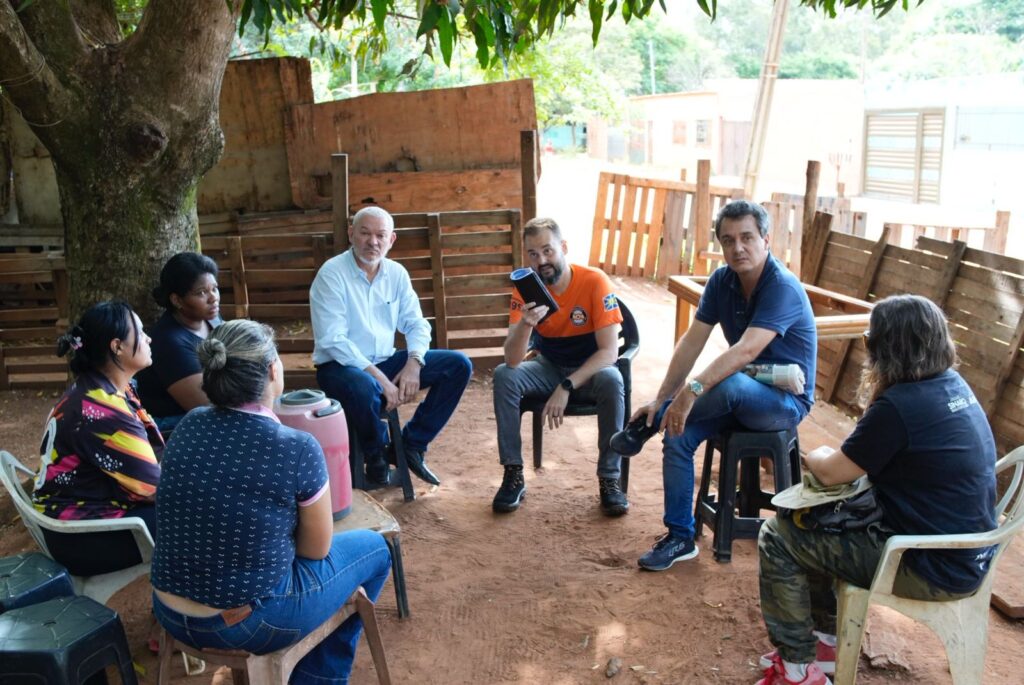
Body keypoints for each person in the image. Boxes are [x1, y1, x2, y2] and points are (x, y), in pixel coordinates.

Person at [754, 294, 997, 685]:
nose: (866, 341)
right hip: (968, 554)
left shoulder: (901, 405)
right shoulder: (953, 384)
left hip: (928, 566)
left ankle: (799, 670)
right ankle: (826, 645)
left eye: (873, 336)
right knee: (815, 525)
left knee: (779, 536)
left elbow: (834, 473)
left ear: (887, 347)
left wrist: (814, 451)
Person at [151, 319, 391, 683]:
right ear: (273, 370)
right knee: (375, 549)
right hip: (244, 624)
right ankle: (320, 677)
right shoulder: (295, 446)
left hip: (168, 611)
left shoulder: (189, 425)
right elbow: (316, 550)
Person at [625, 200, 817, 570]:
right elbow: (692, 341)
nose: (737, 247)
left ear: (765, 239)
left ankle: (652, 421)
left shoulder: (783, 287)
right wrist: (664, 396)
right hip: (738, 400)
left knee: (727, 387)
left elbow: (745, 351)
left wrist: (689, 393)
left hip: (784, 403)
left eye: (747, 237)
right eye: (728, 240)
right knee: (678, 435)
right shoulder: (721, 281)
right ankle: (680, 537)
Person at [311, 206, 472, 488]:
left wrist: (414, 362)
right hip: (340, 368)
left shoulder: (396, 273)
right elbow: (333, 340)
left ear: (391, 239)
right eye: (364, 233)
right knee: (364, 387)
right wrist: (381, 379)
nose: (372, 242)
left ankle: (410, 446)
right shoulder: (332, 274)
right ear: (351, 234)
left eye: (380, 235)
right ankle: (377, 456)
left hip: (385, 361)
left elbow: (417, 324)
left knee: (457, 366)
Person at [491, 217, 629, 516]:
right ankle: (513, 473)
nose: (542, 261)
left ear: (563, 247)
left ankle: (609, 479)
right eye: (533, 254)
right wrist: (527, 325)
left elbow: (609, 352)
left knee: (612, 380)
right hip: (549, 365)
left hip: (590, 370)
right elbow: (512, 360)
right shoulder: (525, 290)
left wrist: (566, 386)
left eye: (548, 250)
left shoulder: (594, 281)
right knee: (504, 377)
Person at [33, 301, 163, 575]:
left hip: (72, 523)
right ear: (117, 347)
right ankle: (192, 608)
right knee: (200, 512)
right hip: (83, 538)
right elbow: (155, 489)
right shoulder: (102, 411)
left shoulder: (96, 390)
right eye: (141, 332)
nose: (149, 337)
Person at [136, 252, 222, 433]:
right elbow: (206, 405)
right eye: (202, 292)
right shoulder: (170, 342)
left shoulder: (211, 319)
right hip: (172, 425)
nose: (213, 298)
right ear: (177, 300)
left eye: (214, 288)